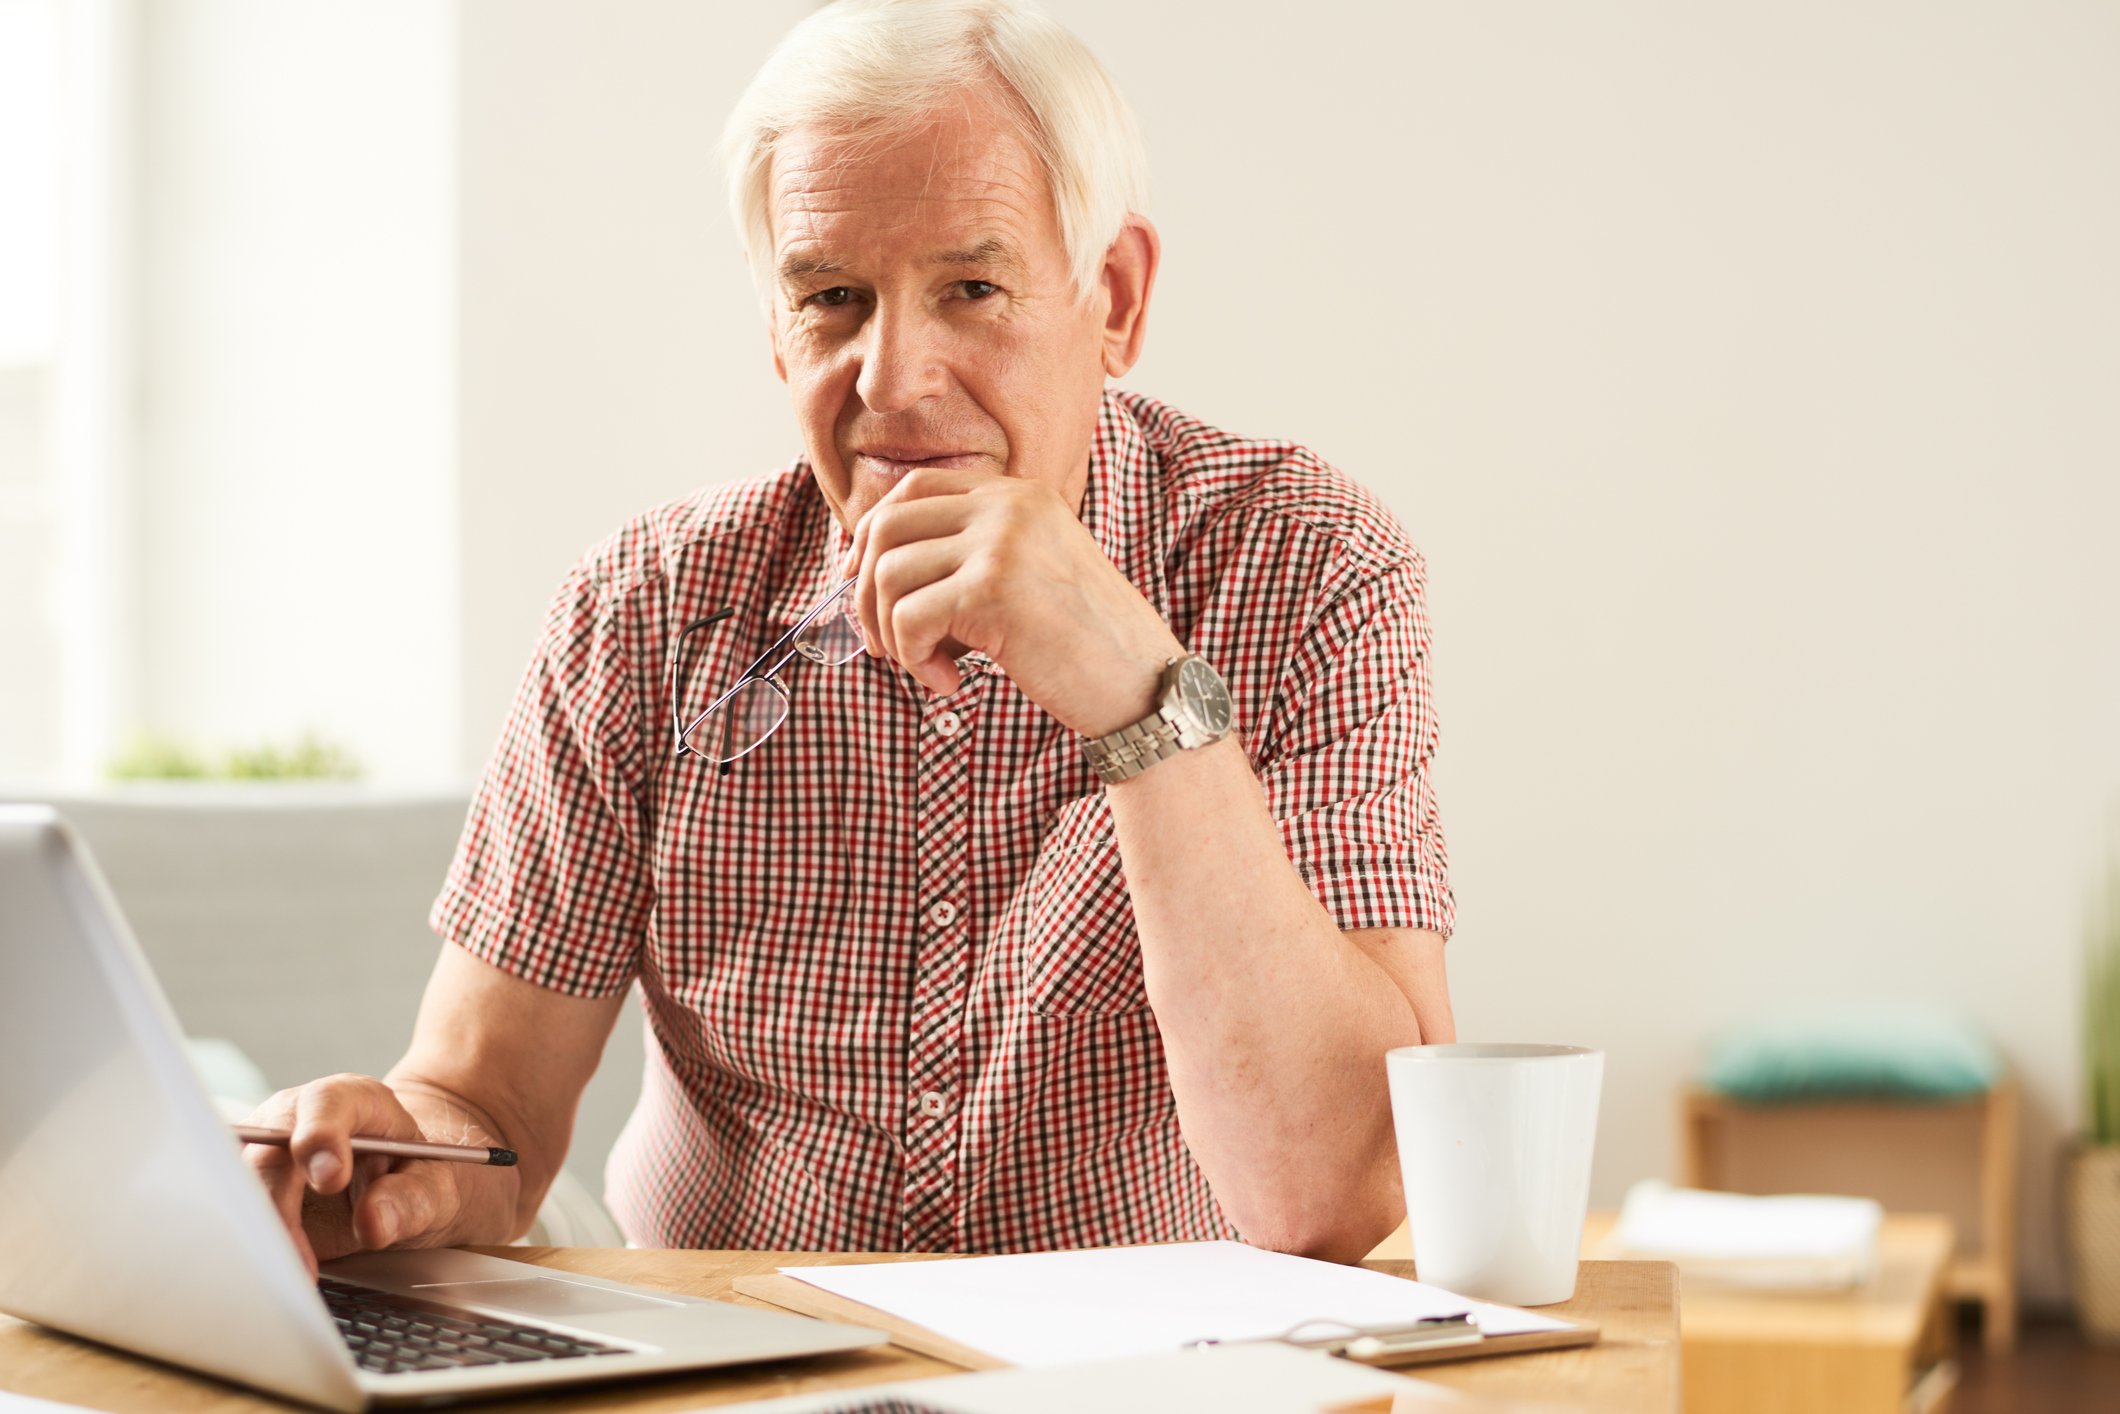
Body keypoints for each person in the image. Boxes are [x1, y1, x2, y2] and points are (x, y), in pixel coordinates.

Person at [249, 0, 1455, 1270]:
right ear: (776, 329)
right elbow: (484, 1108)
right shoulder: (642, 612)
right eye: (831, 296)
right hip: (730, 1369)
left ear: (1111, 297)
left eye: (971, 288)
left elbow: (1334, 1191)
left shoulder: (1303, 560)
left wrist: (1133, 690)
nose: (893, 378)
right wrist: (401, 1160)